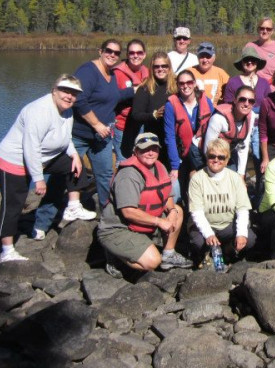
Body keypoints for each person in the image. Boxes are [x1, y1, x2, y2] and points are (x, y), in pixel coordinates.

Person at [0, 74, 94, 261]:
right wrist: (38, 178)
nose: (69, 96)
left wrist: (74, 154)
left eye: (74, 93)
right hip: (15, 160)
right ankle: (6, 250)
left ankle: (73, 206)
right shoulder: (39, 111)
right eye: (65, 91)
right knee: (13, 205)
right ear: (54, 91)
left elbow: (65, 138)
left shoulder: (67, 110)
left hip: (45, 157)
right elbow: (31, 147)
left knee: (75, 166)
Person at [39, 39, 132, 227]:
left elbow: (113, 97)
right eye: (109, 51)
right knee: (62, 176)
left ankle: (109, 217)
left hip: (102, 138)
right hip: (79, 136)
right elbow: (79, 100)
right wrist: (96, 124)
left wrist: (136, 90)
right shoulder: (87, 71)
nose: (112, 55)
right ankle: (42, 222)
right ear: (100, 51)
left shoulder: (112, 74)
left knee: (105, 176)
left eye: (116, 53)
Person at [98, 133, 193, 277]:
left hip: (144, 221)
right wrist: (159, 221)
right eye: (144, 149)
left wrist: (172, 210)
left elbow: (166, 194)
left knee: (178, 211)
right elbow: (128, 212)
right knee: (153, 262)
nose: (150, 153)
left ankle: (168, 254)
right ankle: (115, 255)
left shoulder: (159, 167)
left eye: (154, 149)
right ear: (135, 151)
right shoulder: (128, 175)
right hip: (119, 228)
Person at [188, 138, 256, 266]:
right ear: (206, 157)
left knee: (249, 239)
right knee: (198, 242)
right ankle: (203, 255)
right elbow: (196, 213)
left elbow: (242, 209)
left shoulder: (235, 178)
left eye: (221, 157)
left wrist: (241, 234)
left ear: (227, 160)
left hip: (227, 225)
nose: (216, 160)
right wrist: (208, 234)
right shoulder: (197, 179)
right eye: (212, 156)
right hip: (205, 224)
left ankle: (226, 253)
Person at [165, 69, 215, 201]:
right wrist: (175, 166)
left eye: (189, 82)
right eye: (181, 83)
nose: (185, 86)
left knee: (201, 188)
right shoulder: (171, 105)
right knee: (177, 190)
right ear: (177, 85)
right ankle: (182, 215)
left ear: (194, 84)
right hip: (182, 155)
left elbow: (215, 128)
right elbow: (169, 137)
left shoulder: (206, 101)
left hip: (202, 154)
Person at [222, 46, 271, 171]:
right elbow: (228, 106)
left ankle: (260, 186)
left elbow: (268, 106)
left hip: (259, 127)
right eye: (246, 60)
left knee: (259, 158)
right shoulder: (233, 82)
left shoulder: (264, 83)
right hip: (239, 126)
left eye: (253, 60)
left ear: (257, 63)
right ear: (242, 63)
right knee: (236, 158)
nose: (250, 63)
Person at [130, 52, 176, 170]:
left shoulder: (176, 86)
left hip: (174, 139)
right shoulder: (145, 88)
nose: (160, 69)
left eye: (164, 66)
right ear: (152, 68)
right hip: (153, 139)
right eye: (156, 66)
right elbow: (136, 115)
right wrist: (154, 115)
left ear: (169, 67)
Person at [204, 86, 257, 177]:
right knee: (212, 178)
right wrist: (217, 169)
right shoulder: (219, 118)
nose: (246, 104)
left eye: (251, 101)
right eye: (242, 99)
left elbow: (243, 146)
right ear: (235, 100)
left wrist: (241, 174)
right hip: (204, 151)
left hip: (226, 151)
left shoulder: (251, 116)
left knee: (233, 177)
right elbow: (207, 148)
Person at [112, 39, 149, 160]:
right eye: (132, 53)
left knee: (140, 158)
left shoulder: (147, 72)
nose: (135, 56)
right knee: (122, 160)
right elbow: (110, 98)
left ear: (144, 54)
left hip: (140, 124)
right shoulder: (116, 73)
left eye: (139, 53)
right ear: (127, 54)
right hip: (122, 125)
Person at [244, 16, 275, 82]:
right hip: (252, 86)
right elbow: (243, 69)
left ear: (272, 31)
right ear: (258, 30)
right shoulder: (249, 46)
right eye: (262, 28)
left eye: (268, 29)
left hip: (273, 87)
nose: (265, 31)